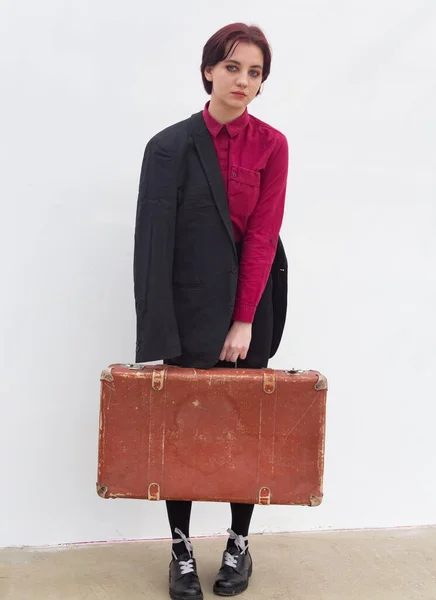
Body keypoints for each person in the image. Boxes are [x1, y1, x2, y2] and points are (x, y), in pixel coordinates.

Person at [133, 22, 289, 600]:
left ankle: (238, 544)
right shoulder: (169, 146)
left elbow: (262, 237)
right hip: (186, 307)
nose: (243, 80)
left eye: (254, 72)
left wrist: (244, 318)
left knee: (244, 429)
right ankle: (179, 548)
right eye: (232, 67)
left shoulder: (272, 145)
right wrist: (160, 329)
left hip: (253, 306)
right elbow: (153, 245)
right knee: (184, 430)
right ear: (208, 70)